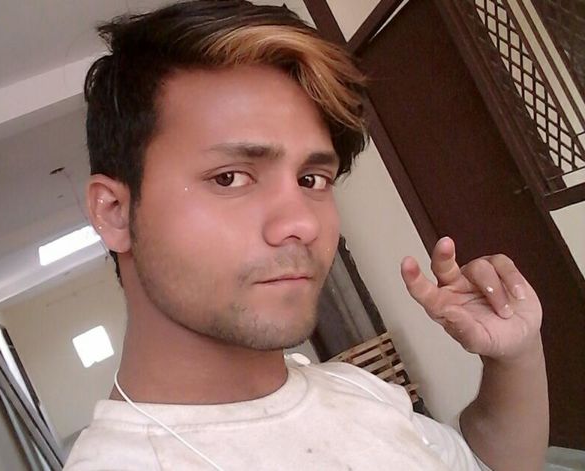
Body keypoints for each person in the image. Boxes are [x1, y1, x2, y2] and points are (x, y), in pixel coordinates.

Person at [64, 1, 549, 469]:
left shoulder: (354, 388)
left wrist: (514, 357)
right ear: (115, 213)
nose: (302, 223)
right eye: (230, 178)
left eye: (311, 179)